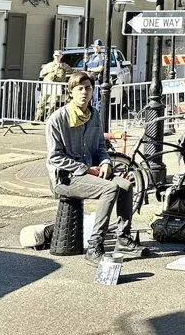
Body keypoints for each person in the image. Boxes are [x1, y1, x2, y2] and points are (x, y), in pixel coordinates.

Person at [46, 72, 141, 265]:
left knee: (125, 185)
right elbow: (55, 157)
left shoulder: (94, 115)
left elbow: (100, 147)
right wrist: (86, 169)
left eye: (88, 88)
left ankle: (123, 238)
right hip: (66, 178)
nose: (84, 92)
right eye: (79, 88)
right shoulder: (57, 119)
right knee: (110, 188)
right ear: (70, 92)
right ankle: (95, 245)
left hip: (91, 171)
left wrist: (106, 162)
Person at [35, 50, 73, 122]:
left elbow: (71, 72)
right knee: (42, 101)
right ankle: (37, 118)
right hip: (48, 85)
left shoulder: (64, 66)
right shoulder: (48, 65)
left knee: (53, 103)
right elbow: (41, 75)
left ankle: (49, 118)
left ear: (61, 56)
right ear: (53, 56)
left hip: (57, 86)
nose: (57, 57)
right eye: (56, 55)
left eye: (58, 55)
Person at [86, 39, 106, 113]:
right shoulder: (91, 57)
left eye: (98, 47)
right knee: (91, 98)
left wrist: (91, 69)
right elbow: (87, 67)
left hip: (97, 80)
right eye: (95, 47)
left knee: (97, 99)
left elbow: (100, 68)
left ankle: (98, 115)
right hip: (91, 79)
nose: (96, 48)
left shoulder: (101, 56)